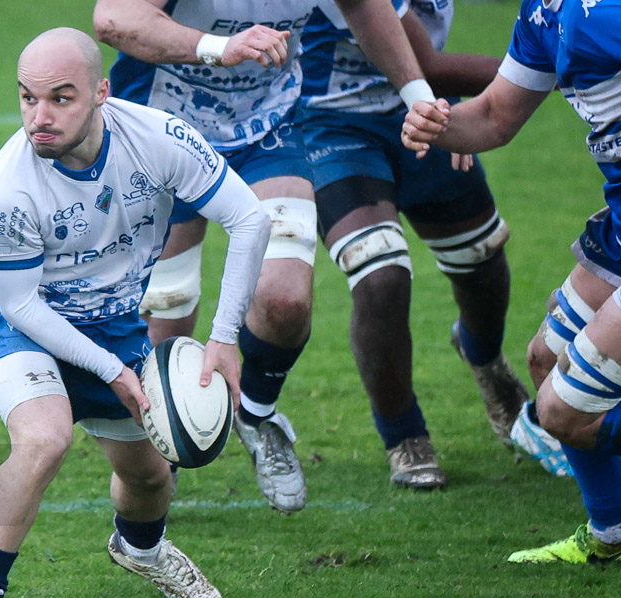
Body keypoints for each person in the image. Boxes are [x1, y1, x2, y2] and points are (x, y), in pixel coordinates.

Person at [0, 27, 272, 598]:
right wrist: (114, 372)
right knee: (44, 440)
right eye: (27, 98)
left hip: (113, 319)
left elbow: (249, 217)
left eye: (61, 99)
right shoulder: (3, 190)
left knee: (150, 476)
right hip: (17, 320)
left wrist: (225, 340)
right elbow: (22, 305)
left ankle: (141, 549)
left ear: (101, 91)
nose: (40, 117)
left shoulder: (158, 140)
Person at [93, 0, 441, 511]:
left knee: (284, 301)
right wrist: (220, 48)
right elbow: (112, 18)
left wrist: (417, 95)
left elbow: (365, 8)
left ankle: (255, 414)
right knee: (165, 319)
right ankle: (160, 460)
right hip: (157, 135)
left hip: (266, 131)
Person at [402, 0, 621, 562]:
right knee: (546, 360)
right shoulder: (545, 12)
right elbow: (497, 114)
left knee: (564, 413)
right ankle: (611, 535)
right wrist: (442, 124)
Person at [294, 0, 538, 488]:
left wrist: (463, 117)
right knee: (380, 274)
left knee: (481, 258)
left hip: (426, 109)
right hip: (334, 126)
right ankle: (404, 436)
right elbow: (424, 60)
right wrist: (556, 68)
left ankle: (484, 358)